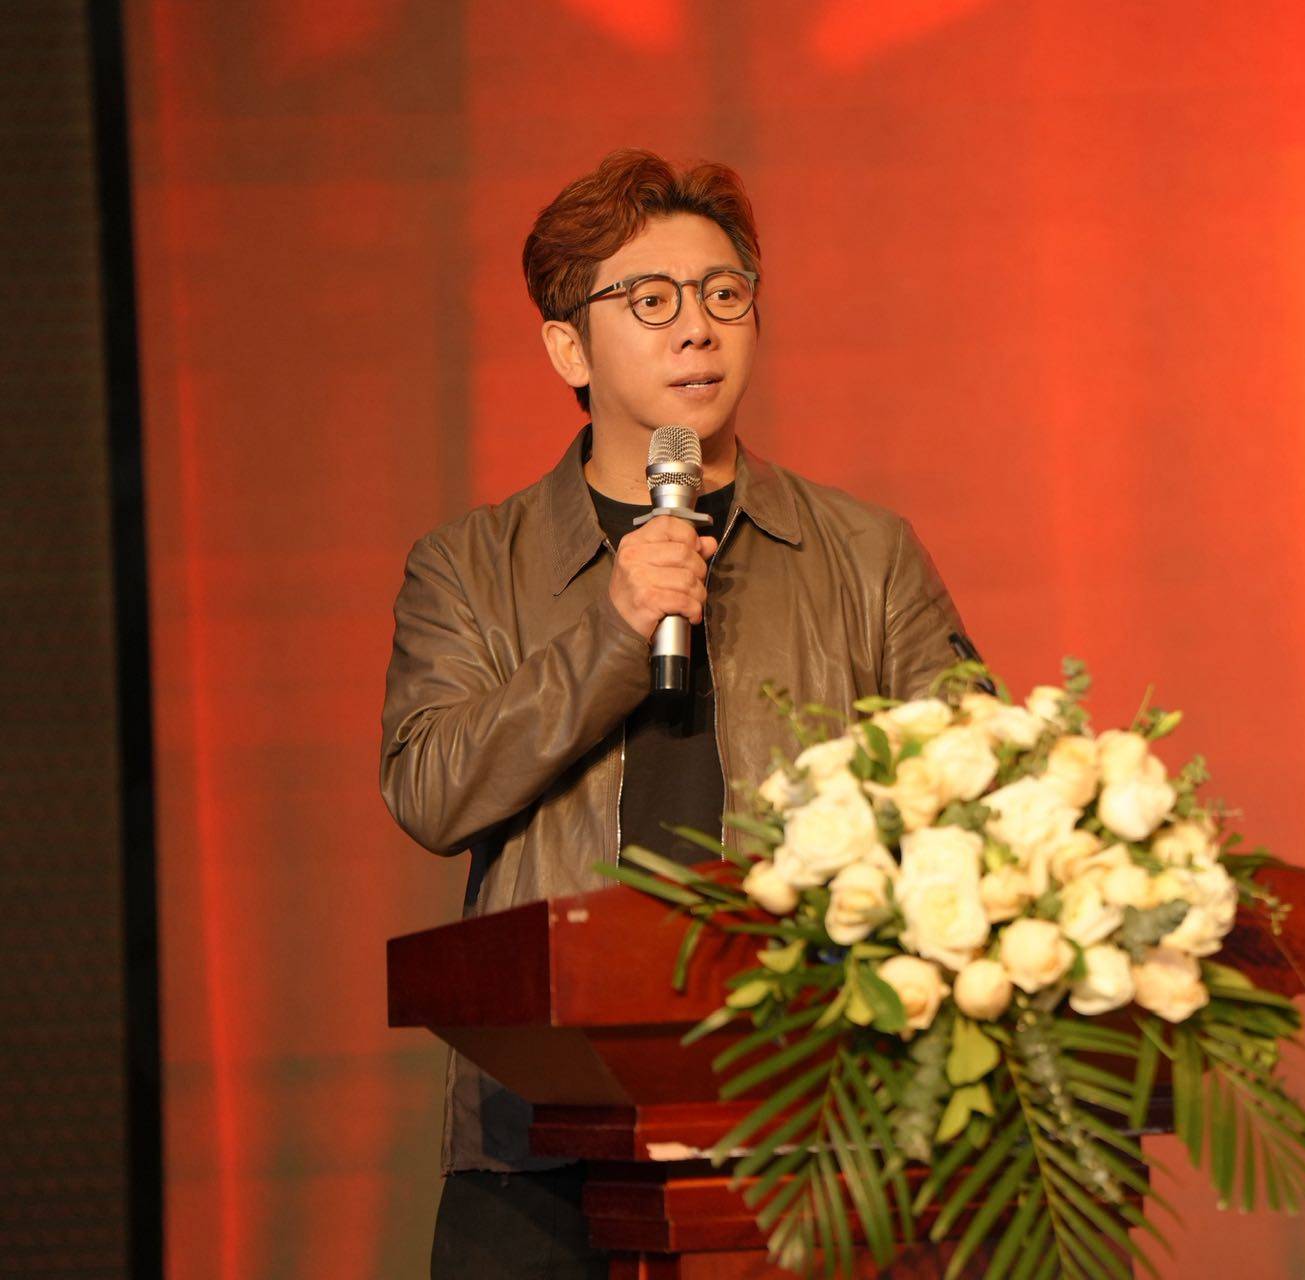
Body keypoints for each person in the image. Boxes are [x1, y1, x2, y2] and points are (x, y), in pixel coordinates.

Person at [379, 148, 972, 1278]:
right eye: (650, 301)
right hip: (546, 1135)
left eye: (723, 294)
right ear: (569, 347)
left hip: (815, 1125)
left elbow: (974, 785)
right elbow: (431, 790)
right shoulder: (469, 564)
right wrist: (613, 631)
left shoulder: (865, 554)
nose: (697, 329)